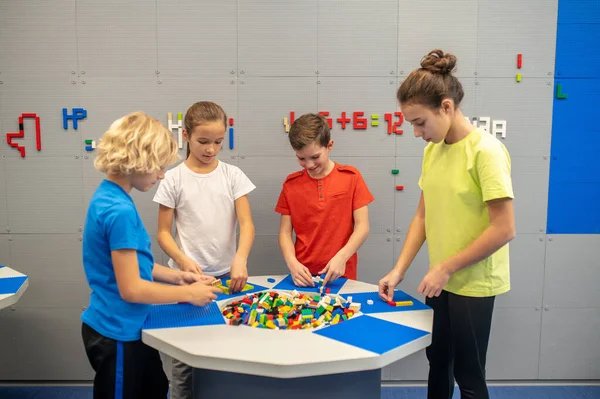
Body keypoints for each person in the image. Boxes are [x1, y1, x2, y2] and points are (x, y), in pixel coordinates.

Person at [378, 49, 515, 399]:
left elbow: (504, 228)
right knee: (438, 361)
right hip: (442, 279)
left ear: (447, 107)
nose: (416, 133)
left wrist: (446, 268)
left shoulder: (486, 152)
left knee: (469, 374)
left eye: (420, 122)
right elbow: (424, 216)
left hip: (474, 282)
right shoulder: (432, 150)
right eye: (411, 124)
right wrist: (399, 270)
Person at [81, 112, 222, 399]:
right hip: (117, 332)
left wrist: (178, 276)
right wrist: (188, 294)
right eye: (158, 166)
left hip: (132, 327)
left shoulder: (112, 197)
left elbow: (136, 265)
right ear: (138, 161)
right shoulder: (118, 210)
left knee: (156, 388)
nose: (161, 174)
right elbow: (132, 288)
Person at [154, 101, 256, 399]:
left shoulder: (232, 175)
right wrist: (184, 261)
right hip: (184, 281)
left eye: (218, 142)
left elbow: (247, 225)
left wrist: (240, 258)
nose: (211, 149)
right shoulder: (173, 178)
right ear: (185, 135)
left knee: (228, 354)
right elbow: (163, 233)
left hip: (227, 279)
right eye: (203, 141)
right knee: (184, 362)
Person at [275, 113, 374, 287]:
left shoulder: (351, 177)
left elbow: (363, 227)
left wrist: (342, 257)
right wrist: (293, 264)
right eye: (301, 158)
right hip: (303, 276)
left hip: (342, 274)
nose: (309, 165)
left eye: (315, 157)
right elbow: (284, 233)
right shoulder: (291, 184)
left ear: (329, 146)